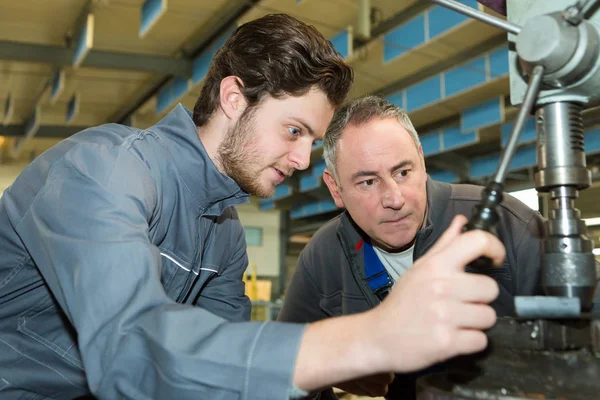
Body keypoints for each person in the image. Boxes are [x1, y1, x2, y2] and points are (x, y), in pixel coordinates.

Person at [0, 14, 505, 400]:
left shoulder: (223, 233)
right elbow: (132, 352)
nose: (304, 159)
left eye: (311, 139)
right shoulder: (103, 170)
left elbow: (226, 368)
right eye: (294, 131)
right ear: (234, 98)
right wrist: (371, 336)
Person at [278, 96, 545, 399]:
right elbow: (283, 369)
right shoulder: (322, 258)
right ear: (335, 188)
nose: (395, 199)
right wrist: (328, 370)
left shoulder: (506, 223)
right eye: (368, 182)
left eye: (403, 172)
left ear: (421, 159)